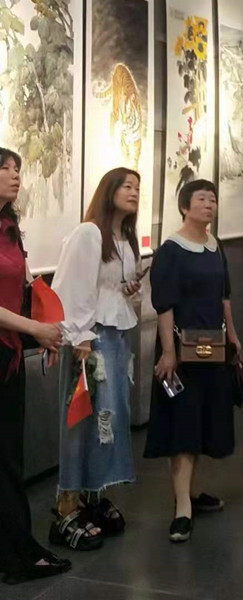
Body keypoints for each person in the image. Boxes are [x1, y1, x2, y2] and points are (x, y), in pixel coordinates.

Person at [144, 179, 241, 543]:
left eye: (213, 199)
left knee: (203, 421)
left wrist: (233, 335)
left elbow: (224, 296)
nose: (209, 204)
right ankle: (182, 505)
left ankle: (191, 491)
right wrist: (168, 352)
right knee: (183, 424)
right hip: (181, 350)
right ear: (185, 206)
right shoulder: (171, 250)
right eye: (201, 198)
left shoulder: (215, 246)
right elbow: (164, 304)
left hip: (211, 347)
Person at [51, 168, 143, 550]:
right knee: (83, 417)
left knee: (111, 415)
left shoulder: (125, 238)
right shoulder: (89, 233)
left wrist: (128, 289)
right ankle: (67, 503)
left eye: (137, 187)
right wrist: (82, 338)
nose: (134, 192)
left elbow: (110, 287)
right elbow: (72, 288)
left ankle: (95, 491)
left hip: (116, 334)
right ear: (109, 191)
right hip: (91, 337)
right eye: (127, 186)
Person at [0, 147, 71, 584]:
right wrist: (35, 329)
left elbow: (22, 288)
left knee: (9, 457)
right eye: (5, 168)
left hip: (8, 353)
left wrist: (43, 329)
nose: (15, 175)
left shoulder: (10, 229)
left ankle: (16, 550)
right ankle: (17, 554)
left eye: (17, 169)